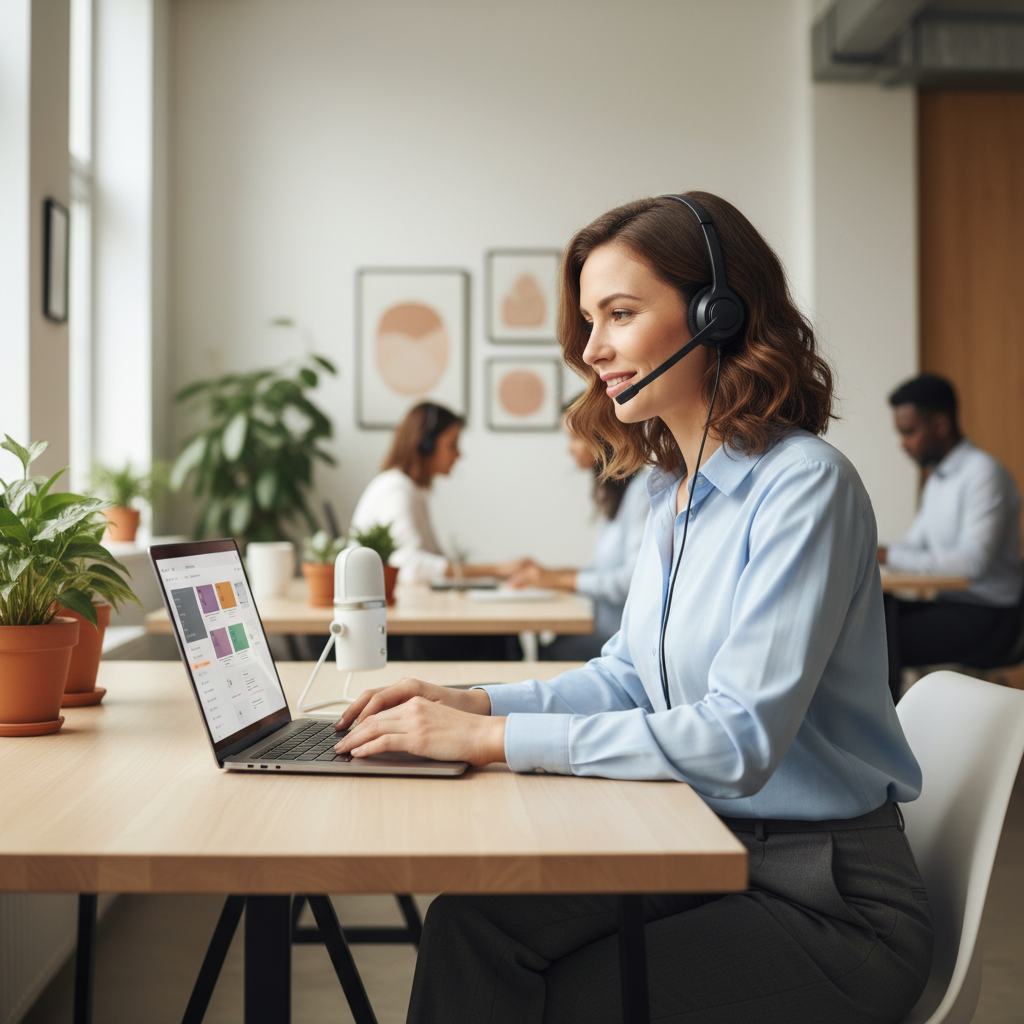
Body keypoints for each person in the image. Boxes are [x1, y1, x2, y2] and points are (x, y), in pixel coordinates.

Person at [334, 192, 933, 1023]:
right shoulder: (673, 491)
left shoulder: (805, 486)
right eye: (587, 320)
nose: (592, 348)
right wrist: (470, 702)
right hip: (711, 842)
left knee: (567, 997)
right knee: (470, 928)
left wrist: (494, 740)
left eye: (620, 313)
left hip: (826, 897)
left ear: (717, 314)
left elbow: (738, 738)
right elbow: (626, 677)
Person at [880, 374, 1023, 699]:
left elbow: (972, 563)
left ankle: (886, 736)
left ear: (941, 425)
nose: (903, 443)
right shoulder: (938, 481)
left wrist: (887, 556)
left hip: (991, 616)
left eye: (909, 432)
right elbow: (914, 546)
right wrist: (873, 549)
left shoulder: (984, 475)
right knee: (872, 615)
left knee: (880, 639)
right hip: (951, 605)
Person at [350, 401, 526, 659]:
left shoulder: (411, 490)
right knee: (498, 636)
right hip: (391, 633)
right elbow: (411, 566)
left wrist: (489, 575)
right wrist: (495, 569)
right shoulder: (396, 489)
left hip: (400, 617)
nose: (459, 454)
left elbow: (432, 562)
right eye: (452, 444)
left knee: (499, 632)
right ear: (425, 444)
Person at [509, 408, 649, 660]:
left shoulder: (642, 493)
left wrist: (557, 580)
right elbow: (605, 571)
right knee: (533, 646)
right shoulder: (618, 492)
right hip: (606, 630)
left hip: (619, 639)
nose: (568, 449)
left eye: (573, 438)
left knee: (546, 651)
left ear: (602, 438)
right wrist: (549, 574)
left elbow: (630, 581)